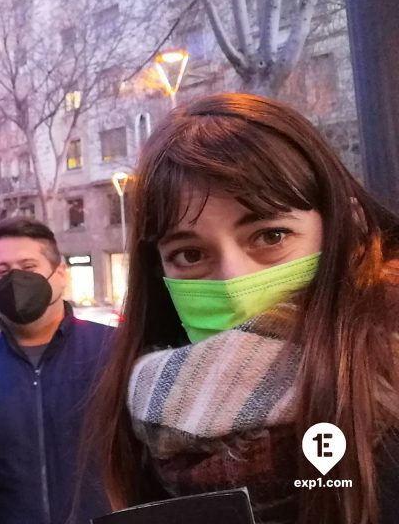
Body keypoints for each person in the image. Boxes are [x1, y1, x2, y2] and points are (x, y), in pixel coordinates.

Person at [90, 93, 399, 524]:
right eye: (191, 255)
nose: (233, 283)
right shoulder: (140, 425)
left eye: (271, 236)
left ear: (342, 229)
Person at [0, 216, 114, 523]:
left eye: (29, 267)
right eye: (3, 272)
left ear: (60, 274)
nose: (16, 280)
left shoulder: (114, 353)